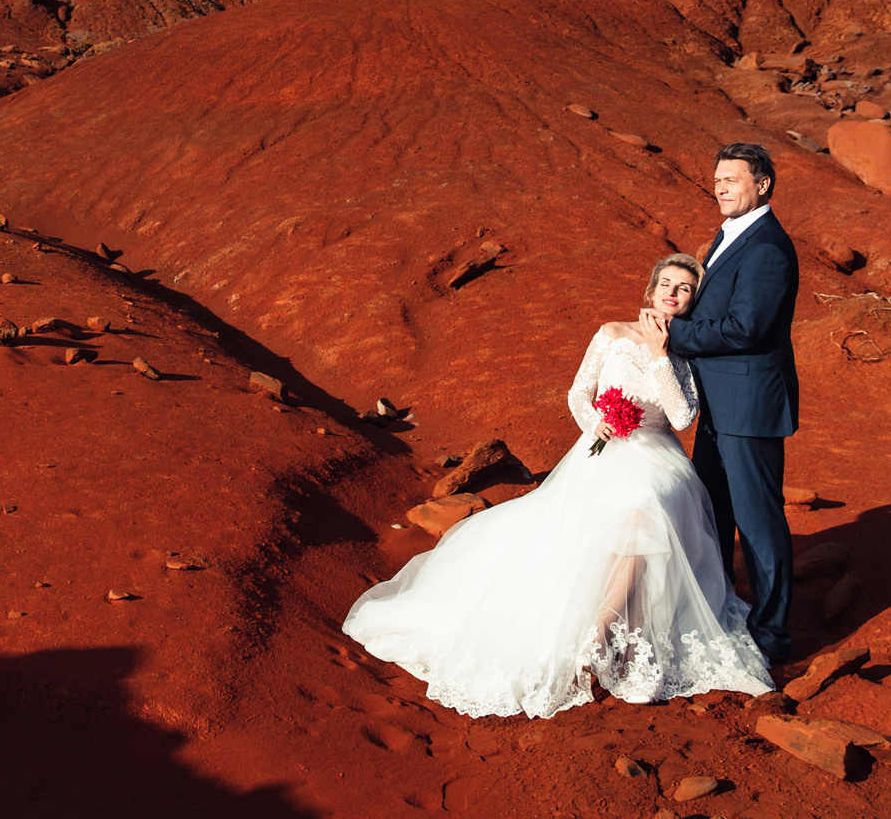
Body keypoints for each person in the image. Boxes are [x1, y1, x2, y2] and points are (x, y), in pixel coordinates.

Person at [340, 255, 775, 718]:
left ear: (692, 302)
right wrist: (597, 424)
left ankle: (602, 629)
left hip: (657, 456)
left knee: (645, 503)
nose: (672, 292)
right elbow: (577, 394)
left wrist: (661, 355)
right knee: (634, 513)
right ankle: (605, 629)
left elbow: (684, 417)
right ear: (649, 292)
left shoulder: (684, 352)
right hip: (604, 451)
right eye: (665, 283)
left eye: (684, 289)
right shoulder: (610, 333)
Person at [642, 142, 799, 667]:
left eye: (732, 179)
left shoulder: (768, 248)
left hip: (749, 406)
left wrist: (675, 335)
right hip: (718, 406)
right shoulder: (732, 236)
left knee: (758, 520)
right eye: (716, 181)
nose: (721, 188)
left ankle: (772, 633)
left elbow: (745, 327)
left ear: (763, 184)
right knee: (713, 510)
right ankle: (722, 606)